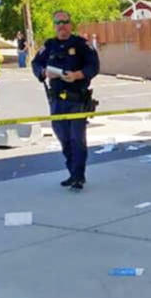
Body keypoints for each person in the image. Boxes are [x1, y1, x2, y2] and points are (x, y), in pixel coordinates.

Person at [32, 10, 100, 191]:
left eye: (65, 21)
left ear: (71, 24)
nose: (61, 25)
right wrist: (44, 72)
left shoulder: (81, 44)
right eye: (57, 22)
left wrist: (78, 75)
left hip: (76, 99)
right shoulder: (49, 45)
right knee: (64, 138)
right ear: (54, 26)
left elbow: (94, 66)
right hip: (56, 101)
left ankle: (79, 176)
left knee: (77, 139)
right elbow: (35, 63)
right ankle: (72, 173)